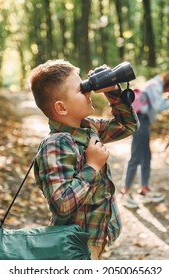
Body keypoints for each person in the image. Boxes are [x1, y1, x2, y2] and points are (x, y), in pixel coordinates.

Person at [29, 60, 139, 260]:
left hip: (95, 239)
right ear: (61, 108)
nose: (88, 92)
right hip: (74, 247)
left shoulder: (88, 127)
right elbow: (62, 205)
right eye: (81, 90)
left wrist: (113, 92)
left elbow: (127, 125)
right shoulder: (55, 145)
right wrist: (92, 166)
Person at [121, 70, 169, 208]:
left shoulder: (156, 85)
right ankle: (125, 191)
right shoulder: (155, 85)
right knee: (136, 156)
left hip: (144, 121)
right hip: (140, 120)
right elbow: (159, 106)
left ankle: (144, 189)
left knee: (146, 156)